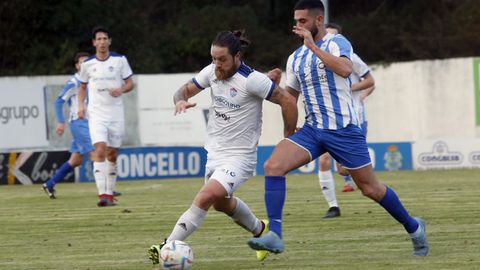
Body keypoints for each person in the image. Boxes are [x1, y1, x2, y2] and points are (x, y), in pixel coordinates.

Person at [247, 0, 428, 257]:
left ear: (318, 21)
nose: (298, 26)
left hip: (343, 129)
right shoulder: (295, 58)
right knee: (273, 166)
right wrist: (272, 87)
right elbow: (290, 98)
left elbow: (345, 69)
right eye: (296, 21)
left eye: (303, 21)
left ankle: (414, 228)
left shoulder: (337, 43)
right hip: (312, 130)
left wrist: (313, 46)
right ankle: (275, 234)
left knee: (370, 189)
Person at [147, 30, 297, 265]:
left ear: (237, 56)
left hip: (240, 157)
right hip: (215, 152)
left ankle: (167, 246)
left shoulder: (252, 80)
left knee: (205, 197)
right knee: (221, 203)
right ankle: (259, 229)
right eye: (213, 58)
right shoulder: (211, 72)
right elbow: (184, 90)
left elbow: (287, 100)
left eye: (222, 59)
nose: (216, 64)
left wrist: (288, 135)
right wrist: (180, 100)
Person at [318, 22, 376, 218]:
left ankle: (362, 178)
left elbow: (370, 81)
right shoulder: (316, 59)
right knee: (324, 160)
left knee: (343, 170)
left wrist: (351, 90)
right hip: (327, 118)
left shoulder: (351, 57)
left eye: (334, 36)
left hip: (352, 117)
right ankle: (333, 206)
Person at [77, 26, 134, 207]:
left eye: (104, 38)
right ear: (94, 43)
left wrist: (122, 89)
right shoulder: (87, 65)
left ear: (109, 41)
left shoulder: (119, 60)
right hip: (96, 114)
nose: (102, 42)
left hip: (116, 114)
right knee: (100, 149)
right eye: (98, 39)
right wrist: (80, 106)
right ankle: (102, 195)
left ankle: (110, 193)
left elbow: (130, 83)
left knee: (112, 153)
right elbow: (82, 87)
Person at [42, 52, 93, 199]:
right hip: (79, 122)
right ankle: (106, 191)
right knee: (96, 151)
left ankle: (50, 184)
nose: (84, 65)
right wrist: (60, 122)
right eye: (81, 62)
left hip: (89, 122)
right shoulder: (74, 82)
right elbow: (58, 101)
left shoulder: (92, 80)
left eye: (87, 62)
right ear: (77, 66)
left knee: (76, 160)